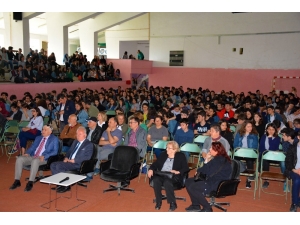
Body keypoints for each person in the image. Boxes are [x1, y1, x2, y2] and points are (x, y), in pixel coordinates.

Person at [9, 125, 59, 192]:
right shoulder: (38, 137)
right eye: (42, 129)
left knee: (35, 161)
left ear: (50, 132)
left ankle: (30, 182)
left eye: (45, 130)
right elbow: (32, 147)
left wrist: (45, 156)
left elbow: (55, 151)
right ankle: (17, 181)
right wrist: (27, 153)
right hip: (33, 156)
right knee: (19, 159)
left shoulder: (54, 139)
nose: (42, 131)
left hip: (44, 158)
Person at [185, 141, 232, 212]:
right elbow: (205, 169)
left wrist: (205, 161)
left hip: (216, 183)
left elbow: (205, 171)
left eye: (211, 148)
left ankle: (207, 208)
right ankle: (195, 205)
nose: (209, 150)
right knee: (188, 181)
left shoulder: (218, 160)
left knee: (193, 187)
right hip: (213, 179)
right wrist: (206, 160)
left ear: (217, 151)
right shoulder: (218, 158)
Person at [147, 141, 189, 211]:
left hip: (173, 176)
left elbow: (186, 168)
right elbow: (156, 164)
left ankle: (172, 203)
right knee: (156, 180)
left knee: (167, 182)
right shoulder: (163, 155)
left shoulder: (180, 156)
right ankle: (158, 201)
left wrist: (178, 171)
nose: (167, 149)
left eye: (169, 148)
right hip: (162, 174)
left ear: (175, 149)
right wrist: (151, 169)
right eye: (167, 148)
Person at [50, 126, 94, 193]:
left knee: (59, 166)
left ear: (85, 135)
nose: (78, 136)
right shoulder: (75, 142)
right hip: (69, 162)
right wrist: (66, 158)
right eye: (77, 134)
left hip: (78, 164)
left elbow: (87, 157)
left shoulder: (88, 144)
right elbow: (69, 152)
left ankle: (66, 186)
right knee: (53, 164)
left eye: (80, 134)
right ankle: (59, 183)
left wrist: (74, 160)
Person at [233, 120, 259, 188]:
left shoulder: (254, 135)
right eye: (248, 126)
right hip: (240, 152)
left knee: (250, 161)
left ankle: (249, 179)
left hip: (249, 153)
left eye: (251, 126)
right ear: (244, 127)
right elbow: (235, 144)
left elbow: (255, 146)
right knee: (235, 160)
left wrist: (247, 152)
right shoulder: (239, 134)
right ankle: (236, 177)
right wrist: (239, 150)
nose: (250, 128)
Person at [259, 123, 281, 189]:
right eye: (269, 129)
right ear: (266, 130)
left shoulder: (277, 138)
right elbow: (261, 148)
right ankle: (262, 175)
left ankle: (265, 179)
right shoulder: (263, 136)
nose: (271, 131)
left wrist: (270, 139)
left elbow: (273, 148)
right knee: (264, 157)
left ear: (275, 130)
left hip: (273, 155)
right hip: (264, 154)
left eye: (272, 129)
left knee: (265, 158)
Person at [284, 131, 300, 212]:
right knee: (297, 180)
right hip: (293, 170)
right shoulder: (292, 148)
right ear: (298, 137)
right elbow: (288, 162)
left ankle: (297, 200)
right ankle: (294, 203)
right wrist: (294, 169)